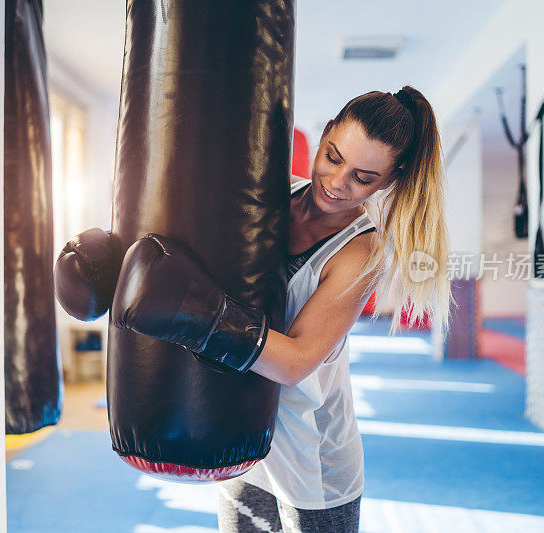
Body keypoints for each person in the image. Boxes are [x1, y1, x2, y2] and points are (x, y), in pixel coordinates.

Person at [111, 86, 452, 532]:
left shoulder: (360, 252)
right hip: (238, 433)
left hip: (313, 459)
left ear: (389, 181)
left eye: (363, 178)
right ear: (325, 133)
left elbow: (295, 362)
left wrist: (193, 312)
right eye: (333, 157)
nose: (337, 182)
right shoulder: (267, 199)